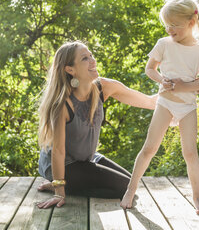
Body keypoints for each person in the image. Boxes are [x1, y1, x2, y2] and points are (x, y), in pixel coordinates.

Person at [36, 40, 167, 209]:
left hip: (86, 159)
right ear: (70, 69)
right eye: (85, 58)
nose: (92, 60)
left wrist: (171, 90)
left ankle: (68, 184)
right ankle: (61, 184)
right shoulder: (63, 105)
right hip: (64, 165)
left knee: (131, 184)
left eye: (91, 55)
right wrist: (59, 191)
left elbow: (149, 102)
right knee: (124, 189)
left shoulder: (102, 87)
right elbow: (58, 151)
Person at [120, 0, 199, 215]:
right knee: (149, 148)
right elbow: (150, 69)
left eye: (175, 25)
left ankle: (198, 197)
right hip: (165, 102)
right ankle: (130, 189)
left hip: (187, 107)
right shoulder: (164, 44)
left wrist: (184, 86)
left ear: (191, 23)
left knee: (190, 153)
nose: (169, 30)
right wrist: (161, 79)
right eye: (167, 25)